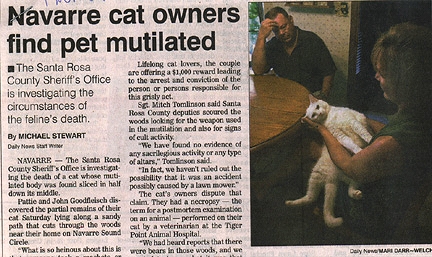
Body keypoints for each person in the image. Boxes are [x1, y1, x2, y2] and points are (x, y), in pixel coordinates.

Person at [302, 22, 432, 242]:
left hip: (375, 211)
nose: (376, 77)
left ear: (406, 82)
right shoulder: (419, 110)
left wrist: (322, 129)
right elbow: (389, 130)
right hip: (402, 189)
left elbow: (352, 168)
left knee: (311, 154)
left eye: (382, 73)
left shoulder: (391, 143)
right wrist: (354, 118)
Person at [252, 7, 336, 99]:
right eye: (276, 30)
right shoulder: (274, 44)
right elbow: (258, 70)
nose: (281, 33)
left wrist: (323, 96)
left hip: (312, 95)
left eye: (284, 27)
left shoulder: (312, 40)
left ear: (291, 20)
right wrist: (261, 37)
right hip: (285, 95)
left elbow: (329, 71)